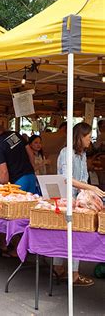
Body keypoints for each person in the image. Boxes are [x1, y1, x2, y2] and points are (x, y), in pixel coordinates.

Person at [53, 122, 105, 287]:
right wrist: (91, 187)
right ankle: (69, 273)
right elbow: (67, 179)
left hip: (79, 199)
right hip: (66, 199)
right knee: (73, 235)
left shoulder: (82, 154)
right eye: (88, 137)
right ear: (80, 137)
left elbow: (82, 178)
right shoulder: (67, 152)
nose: (90, 140)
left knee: (72, 235)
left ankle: (60, 270)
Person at [0, 117, 37, 193]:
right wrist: (31, 169)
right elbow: (30, 153)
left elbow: (3, 171)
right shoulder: (15, 134)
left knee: (19, 204)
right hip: (31, 177)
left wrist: (3, 186)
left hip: (18, 183)